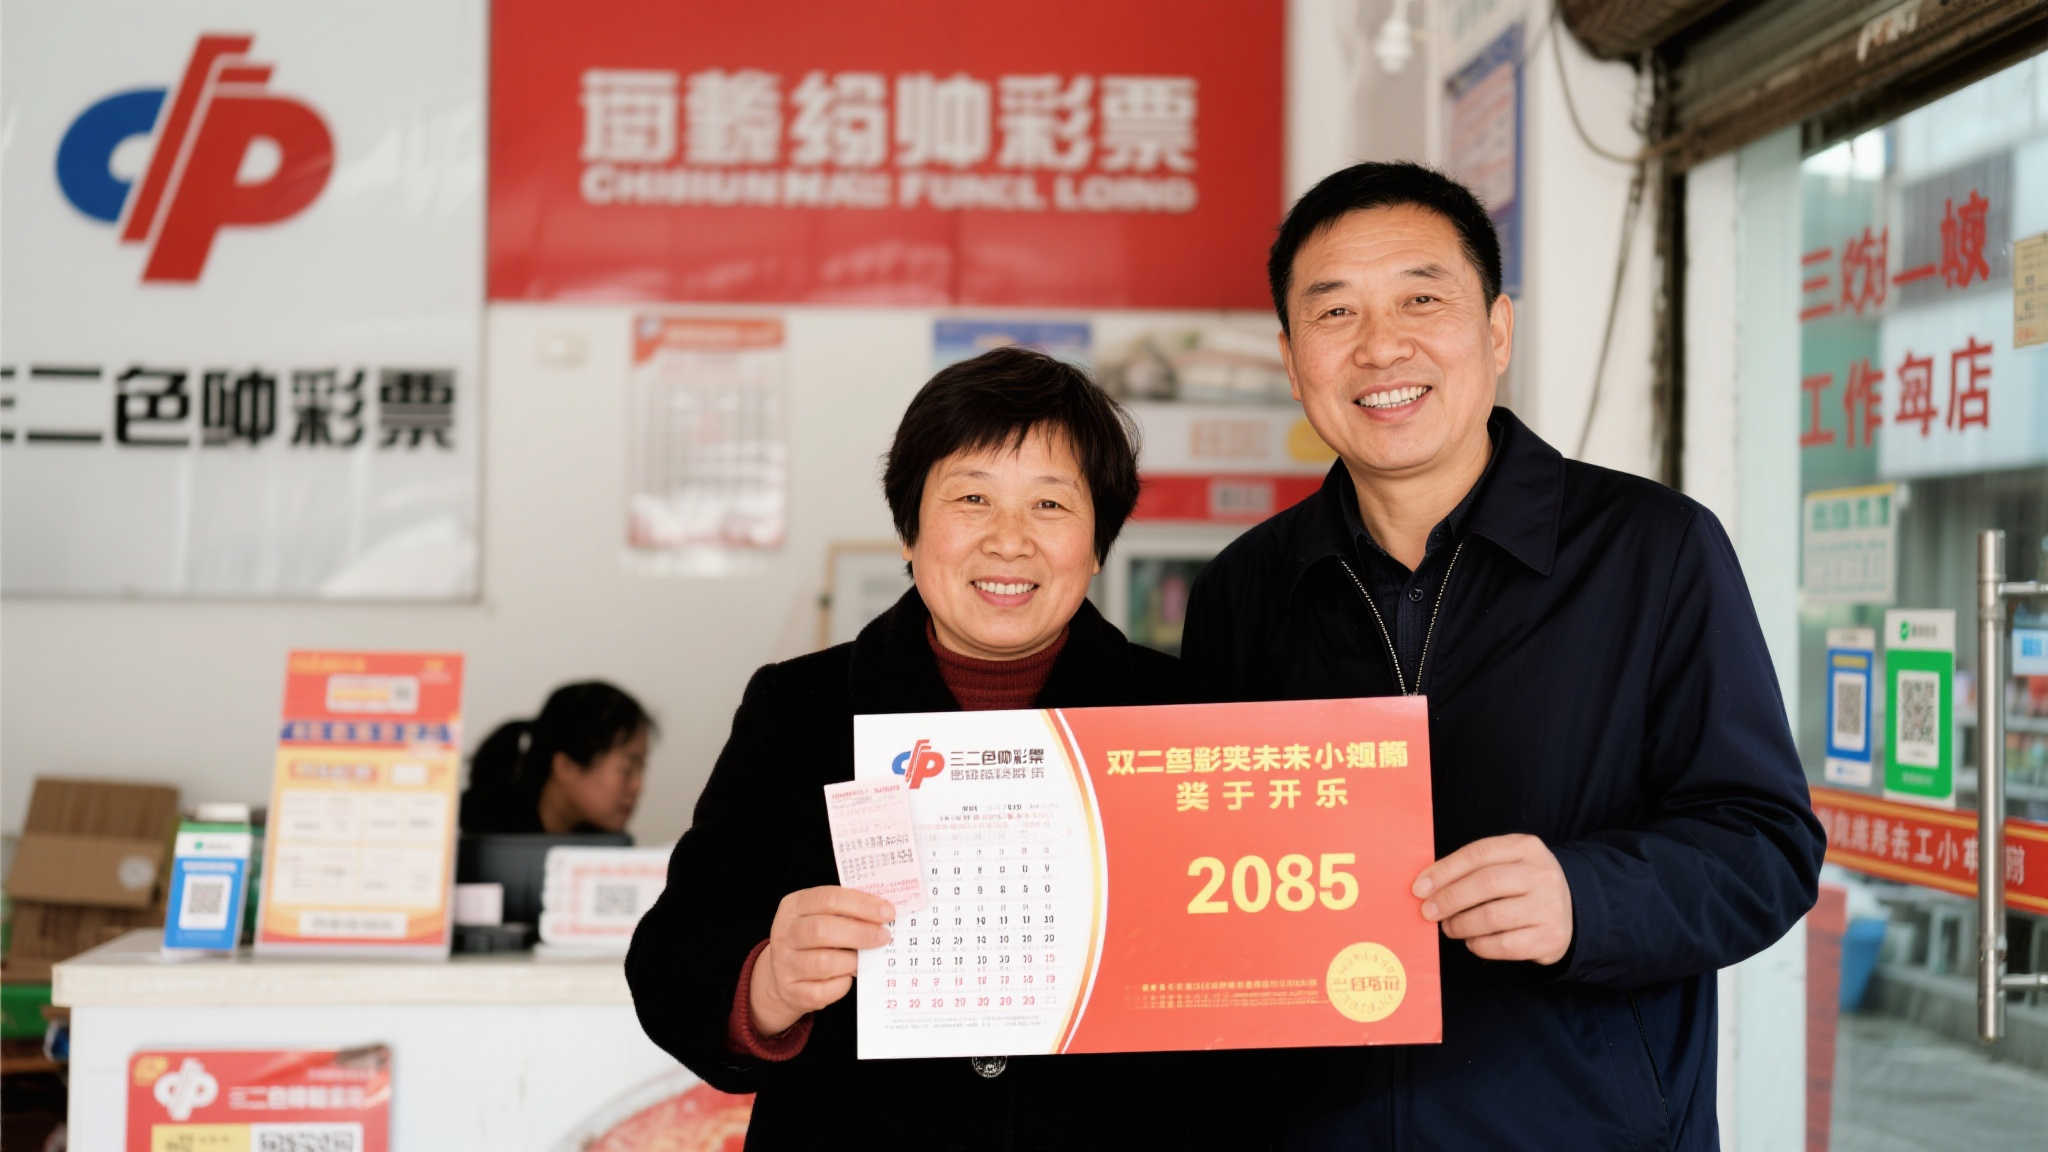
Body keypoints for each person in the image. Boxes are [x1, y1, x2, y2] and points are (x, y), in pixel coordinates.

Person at [1179, 162, 1825, 1150]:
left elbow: (1766, 848)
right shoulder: (1243, 590)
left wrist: (1585, 898)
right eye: (1335, 312)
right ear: (1292, 359)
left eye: (1420, 299)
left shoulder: (1651, 551)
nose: (1380, 345)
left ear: (1495, 331)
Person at [626, 348, 1253, 1150]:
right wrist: (768, 987)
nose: (1009, 541)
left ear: (1099, 542)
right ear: (910, 528)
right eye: (971, 498)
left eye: (1050, 505)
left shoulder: (1185, 720)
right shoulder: (799, 710)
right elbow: (672, 961)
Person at [459, 680, 653, 836]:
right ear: (566, 766)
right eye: (627, 769)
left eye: (641, 769)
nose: (638, 787)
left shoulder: (606, 848)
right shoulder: (477, 843)